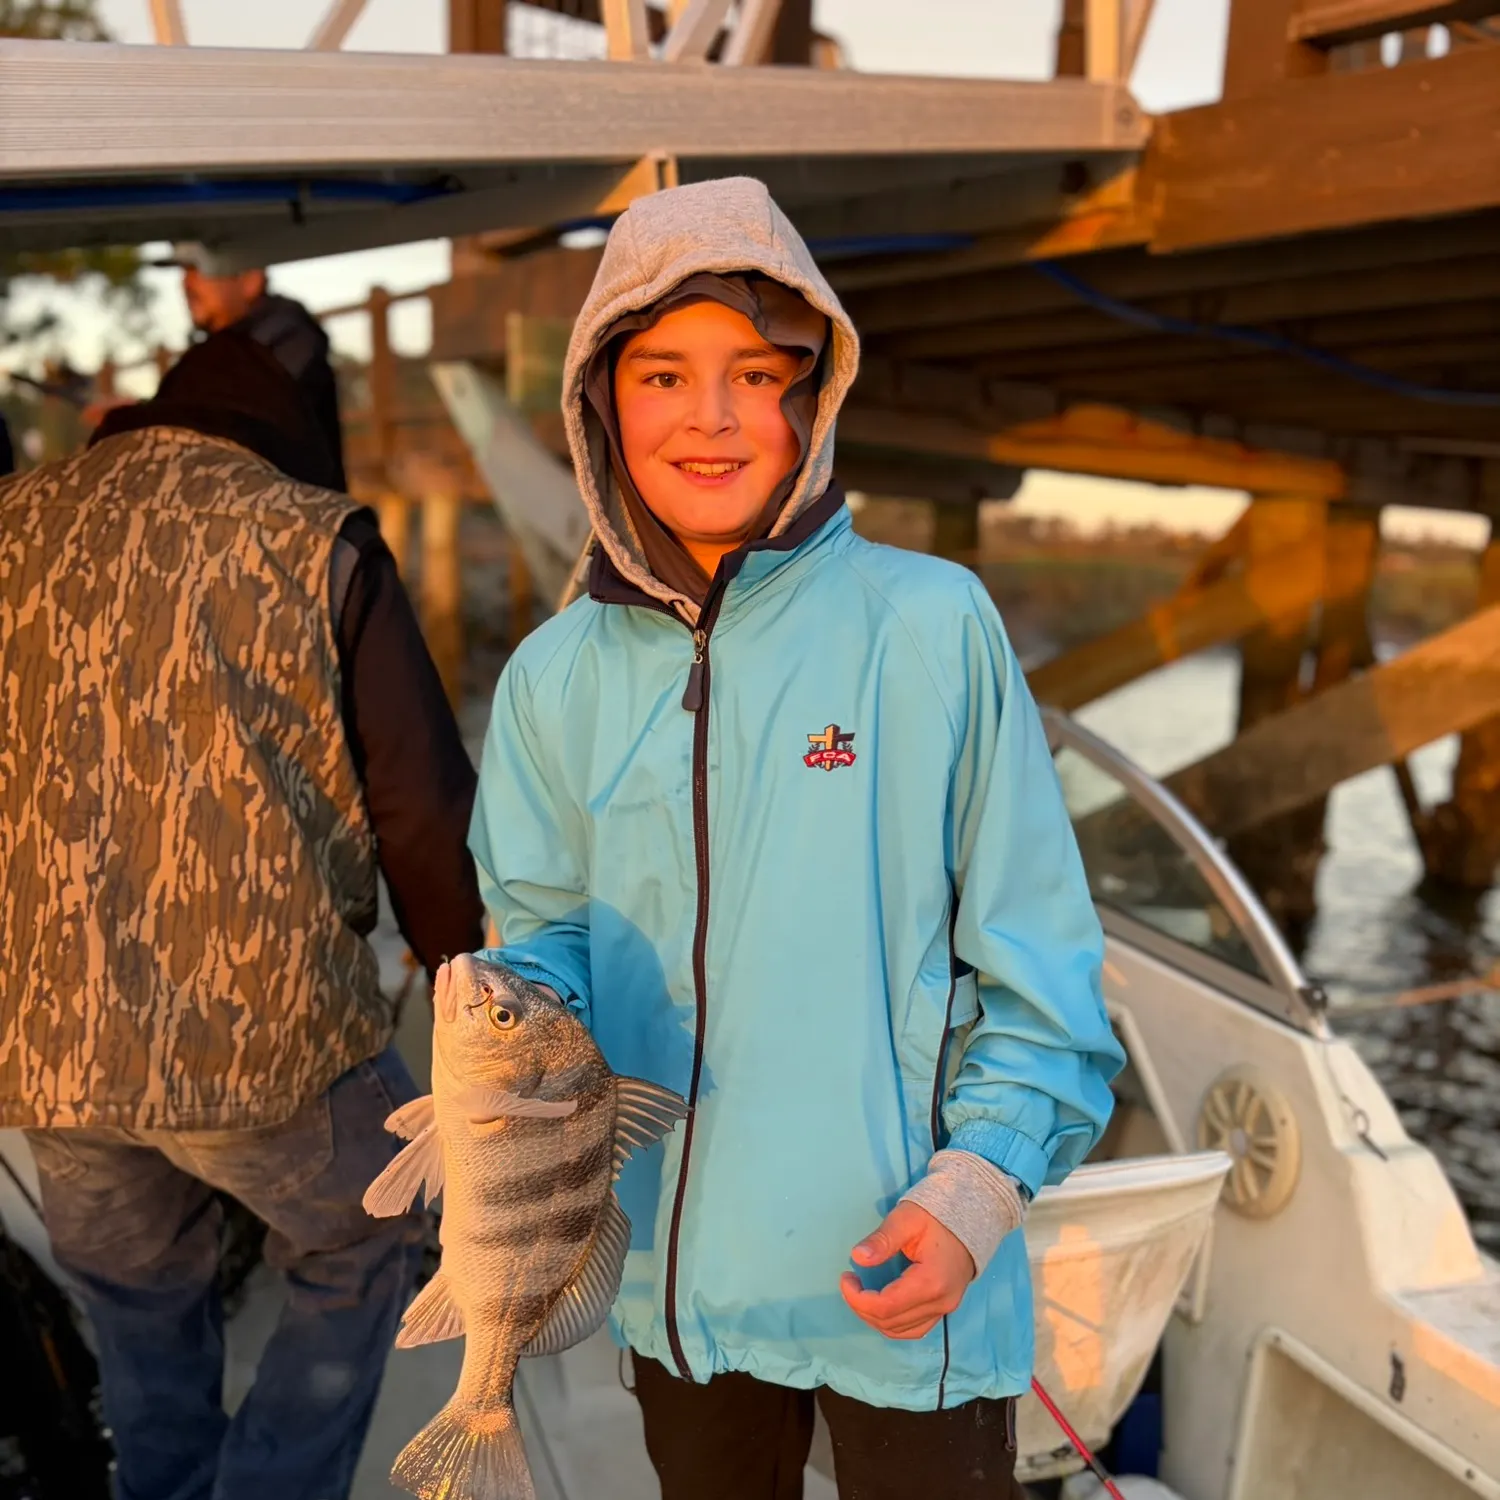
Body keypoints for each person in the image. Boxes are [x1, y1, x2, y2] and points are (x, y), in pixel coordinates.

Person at [468, 176, 1125, 1499]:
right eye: (662, 375)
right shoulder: (552, 676)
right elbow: (542, 936)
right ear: (601, 401)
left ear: (811, 399)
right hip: (670, 1289)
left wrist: (977, 1196)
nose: (709, 417)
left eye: (756, 373)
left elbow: (1045, 973)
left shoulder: (934, 627)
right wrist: (504, 1038)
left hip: (908, 1271)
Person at [0, 329, 486, 1500]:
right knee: (371, 1231)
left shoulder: (14, 521)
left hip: (46, 1045)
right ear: (300, 426)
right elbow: (417, 802)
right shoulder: (311, 536)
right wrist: (461, 963)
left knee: (136, 1290)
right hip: (261, 1043)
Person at [160, 241, 349, 491]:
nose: (186, 284)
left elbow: (230, 417)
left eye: (198, 270)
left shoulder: (285, 342)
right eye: (183, 273)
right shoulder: (223, 350)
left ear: (250, 278)